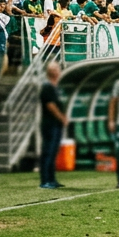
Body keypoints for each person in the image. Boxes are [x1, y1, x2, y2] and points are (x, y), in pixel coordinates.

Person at [39, 61, 68, 189]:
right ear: (49, 72)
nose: (55, 71)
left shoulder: (56, 87)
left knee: (53, 152)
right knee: (48, 151)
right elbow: (50, 105)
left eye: (57, 69)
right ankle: (45, 180)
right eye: (53, 69)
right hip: (50, 124)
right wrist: (61, 117)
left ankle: (51, 179)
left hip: (56, 124)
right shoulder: (47, 87)